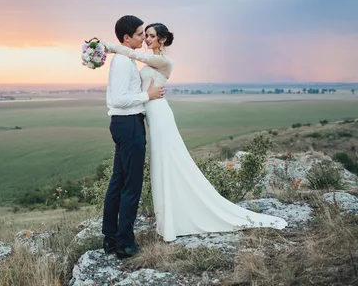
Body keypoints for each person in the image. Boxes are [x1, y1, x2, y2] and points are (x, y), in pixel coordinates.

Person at [102, 22, 288, 243]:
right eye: (144, 35)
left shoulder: (164, 61)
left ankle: (173, 219)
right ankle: (167, 218)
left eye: (151, 36)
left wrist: (109, 47)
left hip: (159, 116)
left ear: (161, 39)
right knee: (160, 166)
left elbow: (136, 56)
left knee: (167, 162)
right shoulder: (137, 60)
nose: (146, 39)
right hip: (146, 113)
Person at [102, 15, 165, 259]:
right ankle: (125, 243)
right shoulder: (122, 62)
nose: (143, 38)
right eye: (140, 34)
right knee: (131, 185)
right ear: (127, 38)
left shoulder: (126, 59)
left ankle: (110, 239)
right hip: (128, 124)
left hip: (124, 124)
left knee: (118, 183)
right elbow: (119, 100)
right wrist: (146, 95)